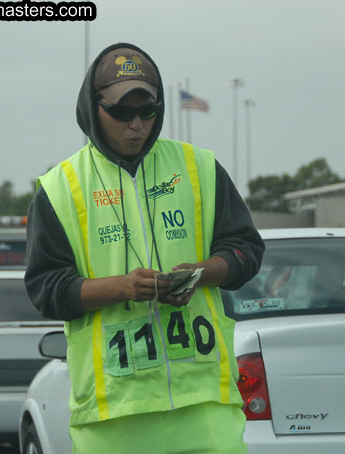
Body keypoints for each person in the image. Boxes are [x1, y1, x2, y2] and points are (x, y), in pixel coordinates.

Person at [25, 42, 264, 454]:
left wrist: (203, 273)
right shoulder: (60, 188)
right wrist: (123, 288)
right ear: (92, 107)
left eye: (147, 111)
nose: (136, 124)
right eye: (121, 112)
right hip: (114, 415)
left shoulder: (200, 168)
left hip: (203, 406)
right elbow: (47, 289)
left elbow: (245, 250)